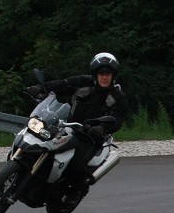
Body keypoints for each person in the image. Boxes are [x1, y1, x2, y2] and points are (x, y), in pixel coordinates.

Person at [26, 52, 128, 203]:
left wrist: (102, 128)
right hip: (69, 127)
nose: (104, 77)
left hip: (92, 137)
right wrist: (42, 89)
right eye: (101, 73)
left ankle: (77, 191)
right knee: (40, 142)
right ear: (95, 74)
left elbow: (118, 119)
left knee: (76, 164)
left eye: (108, 73)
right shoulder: (83, 82)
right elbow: (63, 84)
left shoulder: (118, 97)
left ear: (114, 75)